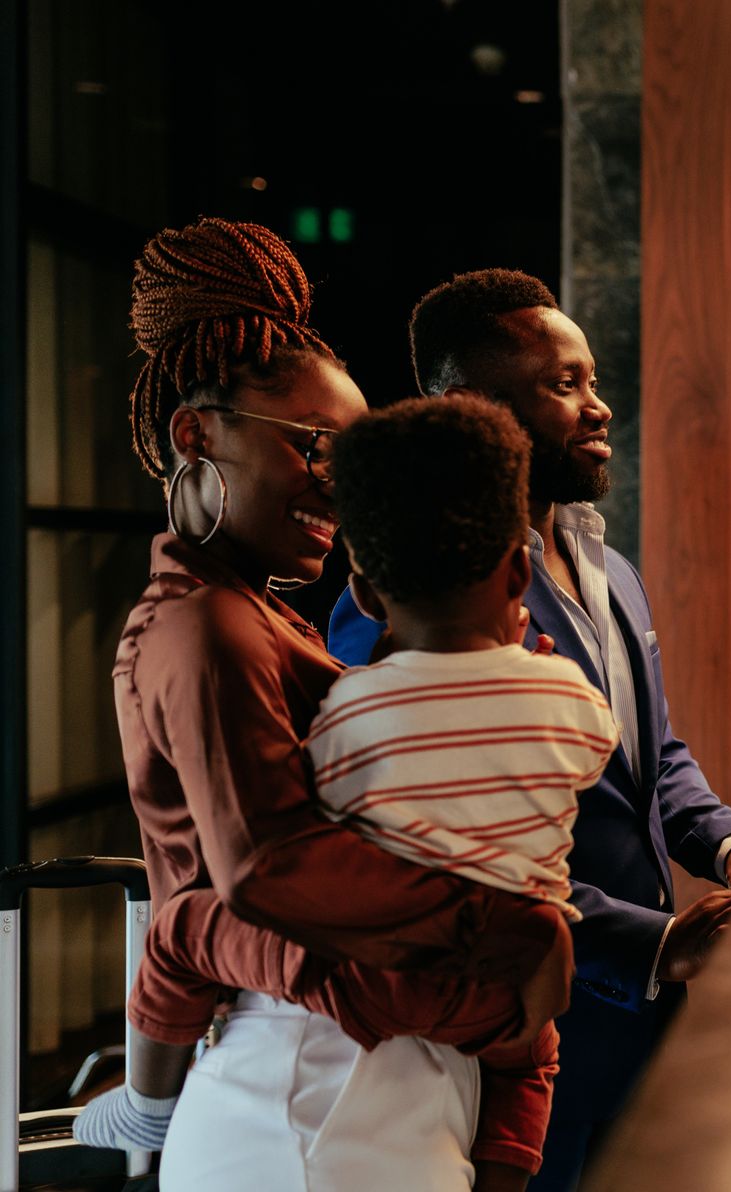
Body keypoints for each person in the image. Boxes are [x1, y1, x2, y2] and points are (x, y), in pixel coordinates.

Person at [100, 217, 574, 1190]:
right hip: (310, 1089)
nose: (339, 491)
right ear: (196, 433)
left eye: (350, 465)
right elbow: (266, 872)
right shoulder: (209, 625)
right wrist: (505, 941)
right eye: (317, 449)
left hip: (348, 1074)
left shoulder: (258, 618)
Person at [329, 270, 731, 1190]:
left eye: (592, 379)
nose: (598, 406)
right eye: (562, 385)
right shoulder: (401, 604)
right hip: (514, 1028)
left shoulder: (610, 565)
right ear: (468, 406)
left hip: (649, 1016)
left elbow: (655, 759)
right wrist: (649, 941)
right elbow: (429, 850)